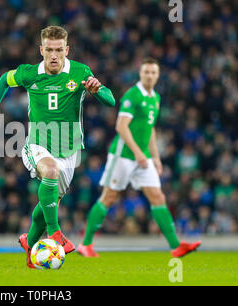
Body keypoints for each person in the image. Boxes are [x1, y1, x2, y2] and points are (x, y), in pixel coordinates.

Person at [0, 26, 115, 268]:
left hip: (69, 149)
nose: (54, 55)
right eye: (49, 50)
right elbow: (4, 79)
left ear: (66, 49)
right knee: (50, 172)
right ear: (41, 50)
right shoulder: (29, 73)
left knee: (48, 205)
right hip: (36, 144)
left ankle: (30, 242)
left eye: (58, 50)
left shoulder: (80, 72)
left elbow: (111, 100)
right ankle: (55, 234)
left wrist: (97, 91)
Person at [77, 58, 201, 258]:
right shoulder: (132, 96)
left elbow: (149, 130)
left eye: (153, 72)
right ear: (140, 74)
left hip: (143, 157)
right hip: (123, 155)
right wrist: (138, 153)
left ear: (158, 75)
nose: (150, 75)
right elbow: (121, 127)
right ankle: (86, 244)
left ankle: (176, 246)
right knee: (109, 197)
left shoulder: (156, 98)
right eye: (146, 72)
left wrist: (156, 158)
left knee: (158, 197)